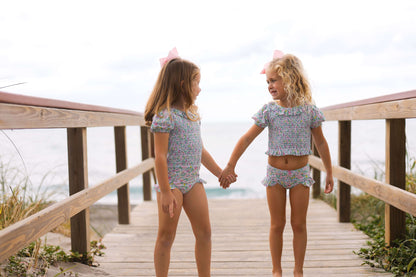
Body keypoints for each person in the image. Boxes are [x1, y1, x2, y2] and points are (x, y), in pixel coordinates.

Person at [219, 50, 334, 277]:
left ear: (290, 78)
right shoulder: (269, 110)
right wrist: (230, 165)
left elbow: (321, 142)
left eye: (274, 80)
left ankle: (298, 270)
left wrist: (329, 172)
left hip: (300, 174)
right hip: (275, 175)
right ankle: (276, 270)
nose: (269, 85)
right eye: (268, 81)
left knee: (299, 224)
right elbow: (247, 138)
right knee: (277, 224)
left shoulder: (309, 111)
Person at [145, 48, 235, 277]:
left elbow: (200, 151)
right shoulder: (164, 116)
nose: (199, 88)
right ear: (183, 84)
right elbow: (160, 157)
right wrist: (165, 191)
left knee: (205, 232)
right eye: (197, 83)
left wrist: (219, 173)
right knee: (166, 237)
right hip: (172, 183)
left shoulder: (192, 115)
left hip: (193, 181)